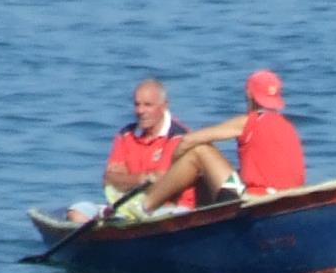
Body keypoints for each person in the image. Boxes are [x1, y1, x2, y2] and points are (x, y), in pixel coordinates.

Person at [130, 68, 307, 213]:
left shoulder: (250, 121)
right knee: (211, 169)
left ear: (249, 95)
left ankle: (144, 207)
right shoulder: (289, 128)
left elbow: (188, 140)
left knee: (200, 152)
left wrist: (172, 171)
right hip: (287, 200)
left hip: (256, 200)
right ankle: (191, 211)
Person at [101, 78, 192, 207]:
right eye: (137, 104)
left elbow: (160, 184)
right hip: (129, 205)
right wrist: (142, 179)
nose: (140, 111)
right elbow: (107, 180)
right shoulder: (125, 134)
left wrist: (123, 179)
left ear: (164, 106)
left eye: (147, 105)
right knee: (77, 213)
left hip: (171, 209)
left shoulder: (178, 136)